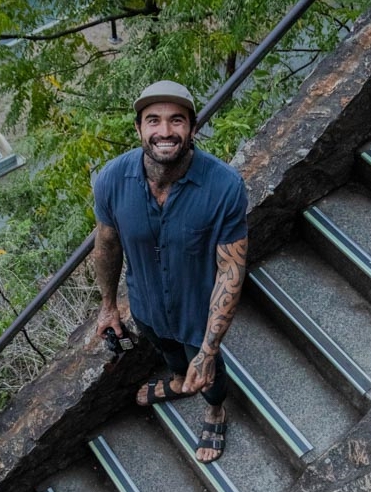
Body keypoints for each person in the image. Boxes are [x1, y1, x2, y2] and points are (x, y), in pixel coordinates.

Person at [93, 80, 248, 464]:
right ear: (138, 129)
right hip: (146, 305)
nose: (165, 131)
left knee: (208, 371)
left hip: (198, 314)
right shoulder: (111, 180)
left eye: (176, 120)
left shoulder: (224, 186)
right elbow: (107, 244)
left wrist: (208, 349)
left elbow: (231, 267)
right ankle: (178, 381)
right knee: (167, 351)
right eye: (153, 120)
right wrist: (109, 306)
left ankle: (215, 410)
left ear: (192, 128)